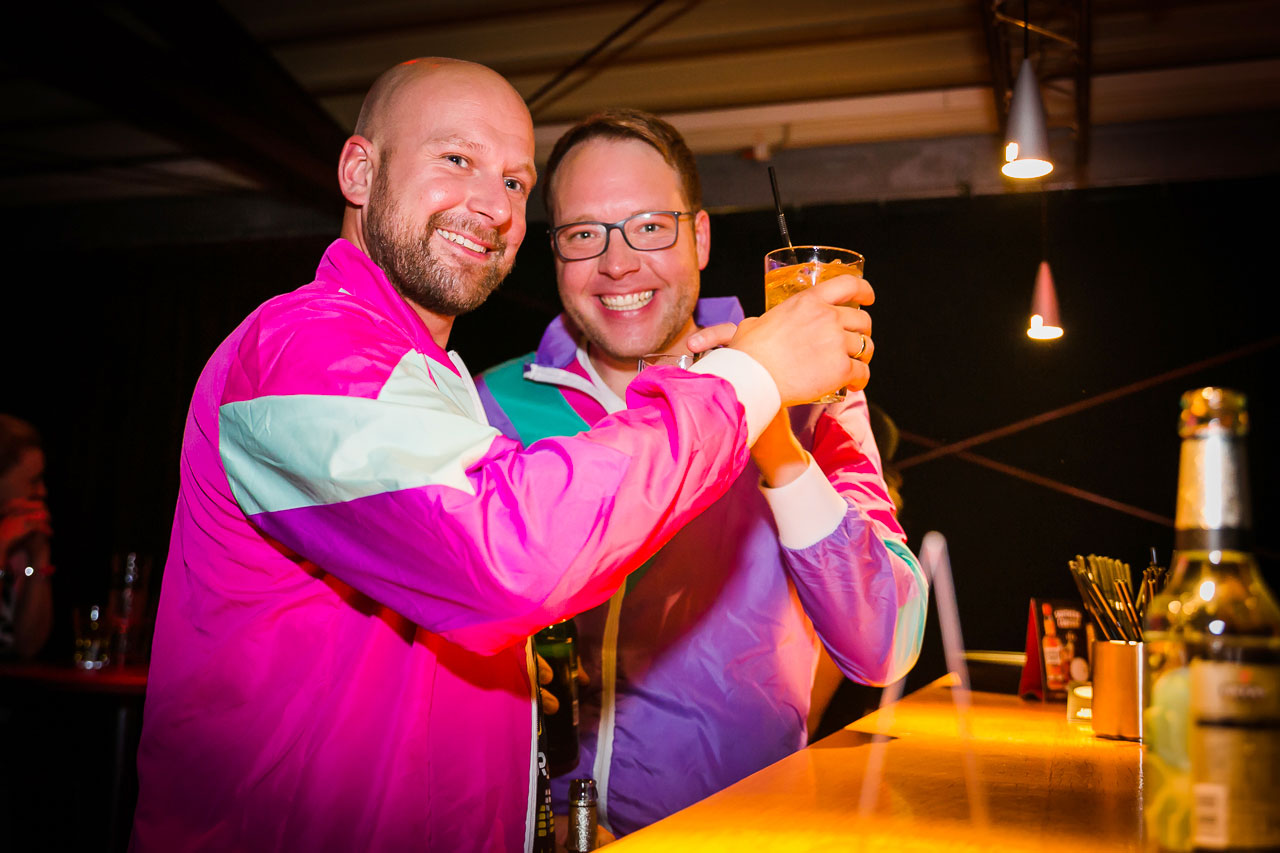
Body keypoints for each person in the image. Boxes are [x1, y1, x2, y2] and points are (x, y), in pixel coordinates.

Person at [131, 59, 870, 852]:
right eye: (457, 158)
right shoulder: (299, 349)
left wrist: (504, 683)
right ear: (360, 172)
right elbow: (505, 553)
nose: (493, 205)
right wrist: (752, 378)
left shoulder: (431, 379)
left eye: (516, 182)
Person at [475, 109, 928, 836]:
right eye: (584, 234)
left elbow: (884, 645)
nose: (617, 264)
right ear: (553, 251)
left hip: (737, 831)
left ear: (702, 237)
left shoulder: (813, 396)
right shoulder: (495, 402)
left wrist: (773, 435)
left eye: (651, 226)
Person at [0, 414, 54, 660]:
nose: (41, 491)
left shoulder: (20, 539)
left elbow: (28, 646)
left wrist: (39, 557)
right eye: (33, 481)